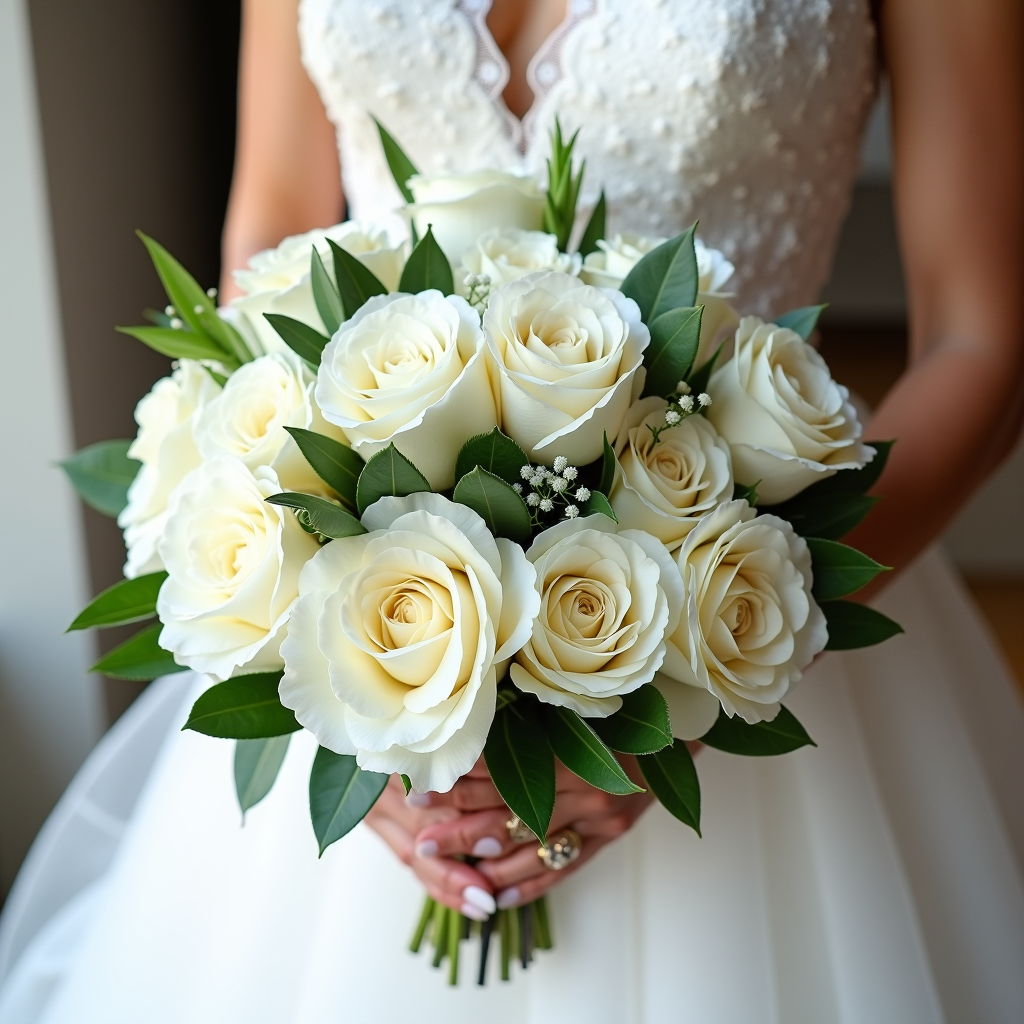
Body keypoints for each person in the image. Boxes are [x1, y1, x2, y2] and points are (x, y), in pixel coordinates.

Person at [1, 0, 1022, 1020]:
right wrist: (349, 702)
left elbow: (982, 344)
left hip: (747, 594)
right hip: (381, 607)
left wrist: (692, 682)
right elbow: (276, 226)